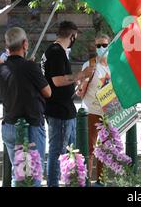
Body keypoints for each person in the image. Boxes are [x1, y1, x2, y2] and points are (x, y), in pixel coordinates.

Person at [0, 27, 51, 187]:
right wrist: (32, 68)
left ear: (7, 46)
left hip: (10, 125)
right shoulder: (31, 67)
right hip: (31, 126)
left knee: (18, 175)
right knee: (33, 177)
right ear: (25, 44)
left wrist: (28, 67)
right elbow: (48, 92)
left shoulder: (0, 68)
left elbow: (16, 82)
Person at [41, 21, 94, 187]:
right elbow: (57, 81)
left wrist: (79, 81)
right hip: (59, 111)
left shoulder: (55, 51)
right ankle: (53, 183)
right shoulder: (56, 52)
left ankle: (71, 182)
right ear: (72, 36)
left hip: (62, 109)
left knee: (70, 152)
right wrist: (80, 75)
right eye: (75, 36)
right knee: (59, 153)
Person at [78, 33, 111, 184]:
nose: (102, 48)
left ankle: (101, 180)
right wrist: (81, 84)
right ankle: (86, 180)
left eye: (104, 45)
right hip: (91, 110)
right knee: (89, 148)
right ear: (94, 46)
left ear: (109, 45)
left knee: (105, 149)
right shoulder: (89, 65)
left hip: (109, 112)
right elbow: (80, 91)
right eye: (98, 45)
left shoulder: (114, 66)